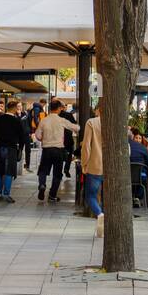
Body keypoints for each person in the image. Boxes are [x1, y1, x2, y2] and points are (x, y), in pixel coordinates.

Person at [34, 99, 78, 202]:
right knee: (57, 173)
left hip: (46, 149)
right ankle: (52, 195)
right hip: (58, 149)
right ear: (58, 109)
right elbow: (75, 127)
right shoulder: (61, 120)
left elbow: (38, 135)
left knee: (43, 170)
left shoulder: (44, 120)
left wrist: (43, 138)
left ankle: (42, 184)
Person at [0, 98, 28, 202]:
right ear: (14, 109)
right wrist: (21, 148)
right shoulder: (17, 121)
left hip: (0, 147)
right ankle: (6, 194)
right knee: (9, 171)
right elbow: (22, 136)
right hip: (11, 148)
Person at [80, 103, 104, 236]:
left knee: (90, 195)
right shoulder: (117, 122)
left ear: (98, 110)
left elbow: (86, 146)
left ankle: (100, 214)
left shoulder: (92, 122)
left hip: (95, 165)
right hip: (112, 168)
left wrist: (84, 163)